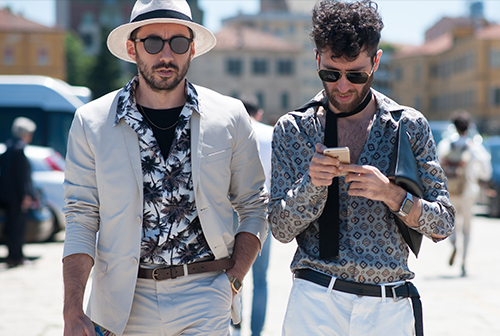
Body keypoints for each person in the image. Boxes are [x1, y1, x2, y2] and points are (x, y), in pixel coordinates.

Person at [61, 1, 268, 335]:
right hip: (125, 302)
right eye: (153, 42)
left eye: (179, 43)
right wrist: (72, 308)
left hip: (205, 293)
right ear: (132, 48)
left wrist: (233, 279)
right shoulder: (92, 122)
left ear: (192, 48)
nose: (166, 55)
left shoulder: (229, 116)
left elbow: (255, 204)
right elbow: (81, 217)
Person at [268, 1, 455, 335]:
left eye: (355, 75)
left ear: (376, 62)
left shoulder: (407, 126)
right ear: (316, 59)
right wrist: (312, 184)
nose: (342, 86)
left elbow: (443, 224)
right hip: (315, 302)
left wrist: (391, 194)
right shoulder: (293, 129)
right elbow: (280, 230)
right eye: (330, 73)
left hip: (389, 307)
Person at [437, 110, 491, 277]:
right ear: (469, 126)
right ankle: (464, 263)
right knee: (467, 228)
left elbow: (437, 166)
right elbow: (485, 172)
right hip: (468, 191)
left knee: (451, 224)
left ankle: (453, 244)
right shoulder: (474, 146)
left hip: (451, 191)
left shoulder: (446, 144)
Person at [238, 94, 273, 336]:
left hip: (231, 211)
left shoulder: (229, 132)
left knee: (231, 273)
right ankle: (256, 333)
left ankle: (235, 326)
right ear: (258, 113)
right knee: (261, 279)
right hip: (263, 211)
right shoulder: (271, 134)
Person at [0, 117, 36, 268]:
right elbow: (22, 177)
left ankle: (12, 256)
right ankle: (17, 257)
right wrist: (27, 195)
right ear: (25, 133)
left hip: (6, 196)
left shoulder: (8, 147)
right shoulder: (19, 150)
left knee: (11, 227)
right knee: (17, 228)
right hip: (17, 197)